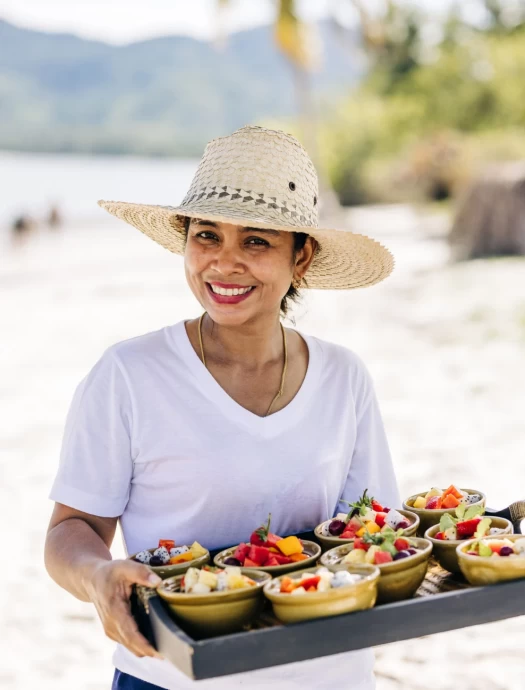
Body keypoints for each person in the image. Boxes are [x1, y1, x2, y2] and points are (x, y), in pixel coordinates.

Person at [45, 125, 399, 690]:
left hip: (327, 671)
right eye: (207, 235)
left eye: (256, 241)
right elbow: (72, 530)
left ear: (301, 256)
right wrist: (97, 576)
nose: (224, 263)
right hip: (172, 676)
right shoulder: (129, 375)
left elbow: (373, 528)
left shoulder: (343, 377)